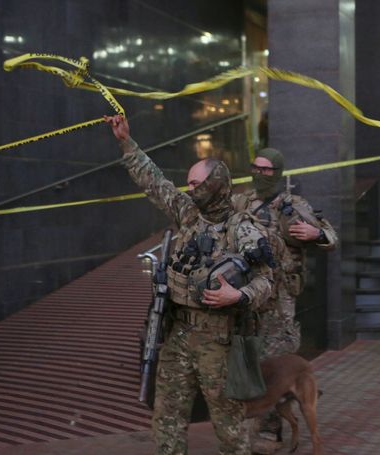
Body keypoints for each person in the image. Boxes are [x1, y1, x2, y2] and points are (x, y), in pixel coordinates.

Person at [105, 114, 273, 455]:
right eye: (189, 184)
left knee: (229, 424)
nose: (189, 190)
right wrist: (126, 142)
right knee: (166, 415)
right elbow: (156, 184)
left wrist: (238, 294)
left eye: (196, 184)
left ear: (215, 184)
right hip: (178, 332)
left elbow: (268, 279)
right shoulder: (188, 214)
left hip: (219, 339)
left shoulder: (242, 227)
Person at [231, 148, 337, 454]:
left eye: (267, 170)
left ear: (277, 173)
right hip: (248, 295)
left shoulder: (294, 204)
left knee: (278, 361)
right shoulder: (241, 200)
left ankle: (271, 432)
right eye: (256, 168)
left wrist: (315, 233)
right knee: (253, 361)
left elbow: (331, 237)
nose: (260, 174)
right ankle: (253, 423)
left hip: (281, 298)